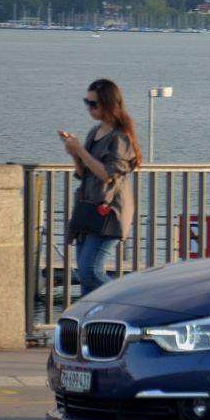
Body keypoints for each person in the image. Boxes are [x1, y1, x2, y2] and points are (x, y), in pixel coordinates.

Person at [59, 78, 141, 296]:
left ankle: (127, 299)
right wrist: (75, 153)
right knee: (86, 279)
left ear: (109, 104)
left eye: (93, 104)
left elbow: (108, 175)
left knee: (89, 271)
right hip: (87, 209)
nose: (89, 108)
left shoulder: (120, 137)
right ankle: (88, 328)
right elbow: (84, 173)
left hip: (109, 212)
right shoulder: (94, 133)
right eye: (87, 102)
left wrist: (81, 151)